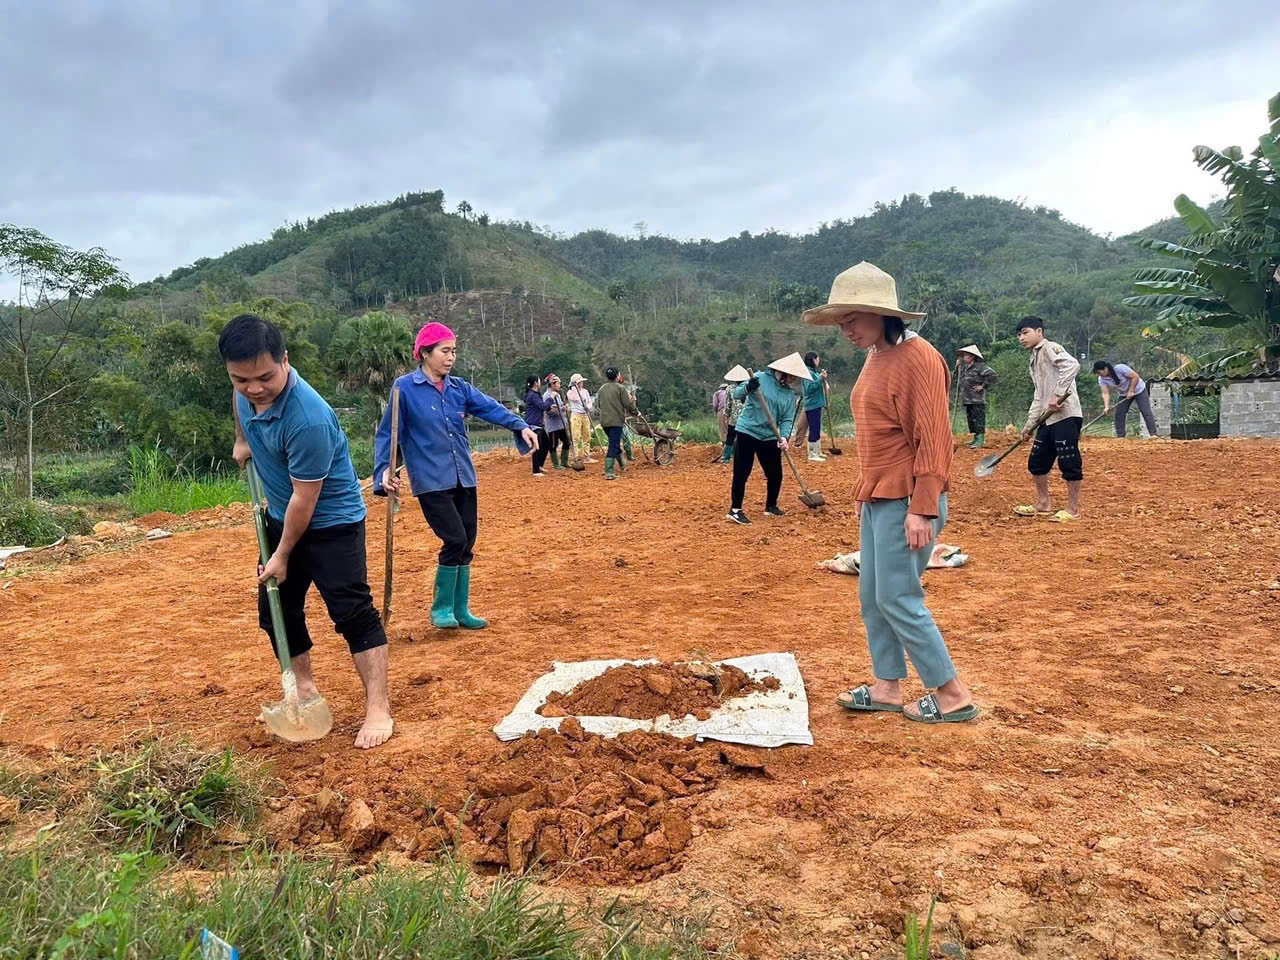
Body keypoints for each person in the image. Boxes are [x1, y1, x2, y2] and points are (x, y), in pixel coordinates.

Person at [802, 261, 977, 724]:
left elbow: (934, 439)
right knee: (873, 594)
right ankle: (886, 687)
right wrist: (864, 487)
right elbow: (879, 434)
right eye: (841, 322)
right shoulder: (879, 353)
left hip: (908, 501)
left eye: (852, 319)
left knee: (899, 595)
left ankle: (952, 693)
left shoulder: (919, 358)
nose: (845, 330)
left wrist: (923, 508)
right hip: (881, 497)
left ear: (882, 313)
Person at [222, 313, 394, 749]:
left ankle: (379, 707)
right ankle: (305, 688)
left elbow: (306, 499)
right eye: (242, 379)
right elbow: (239, 399)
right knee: (275, 609)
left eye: (264, 376)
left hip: (331, 522)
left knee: (352, 612)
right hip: (283, 515)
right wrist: (243, 439)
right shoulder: (245, 389)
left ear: (285, 359)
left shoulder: (309, 418)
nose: (254, 388)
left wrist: (281, 554)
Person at [374, 322, 538, 632]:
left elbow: (489, 407)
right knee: (454, 538)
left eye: (454, 351)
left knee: (468, 541)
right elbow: (388, 434)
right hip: (431, 480)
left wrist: (520, 425)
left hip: (463, 475)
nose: (451, 357)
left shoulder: (458, 387)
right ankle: (441, 609)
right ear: (425, 353)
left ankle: (461, 609)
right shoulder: (404, 388)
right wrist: (384, 470)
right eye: (444, 351)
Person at [726, 353, 810, 524]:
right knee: (742, 472)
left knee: (775, 474)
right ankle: (735, 510)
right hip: (747, 430)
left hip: (770, 435)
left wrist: (785, 437)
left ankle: (771, 506)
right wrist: (749, 387)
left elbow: (787, 419)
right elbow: (737, 394)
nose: (794, 380)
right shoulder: (759, 378)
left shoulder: (788, 394)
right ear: (784, 372)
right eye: (793, 376)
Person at [1015, 316, 1083, 521]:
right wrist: (1030, 425)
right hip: (1047, 418)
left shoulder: (1050, 348)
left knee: (1069, 461)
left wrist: (1059, 393)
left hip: (1066, 415)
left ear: (1039, 332)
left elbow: (1072, 365)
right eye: (1018, 335)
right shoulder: (1034, 359)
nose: (1021, 338)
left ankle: (1072, 509)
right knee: (1037, 462)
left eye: (1025, 332)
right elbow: (1039, 394)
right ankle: (1043, 503)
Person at [1094, 361, 1157, 438]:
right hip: (1124, 394)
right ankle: (1121, 436)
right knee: (1119, 413)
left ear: (1105, 369)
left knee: (1145, 411)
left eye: (1099, 372)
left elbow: (1135, 376)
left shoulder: (1120, 368)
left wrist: (1131, 390)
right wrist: (1106, 406)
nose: (1099, 375)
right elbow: (1105, 393)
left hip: (1138, 389)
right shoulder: (1101, 379)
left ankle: (1153, 435)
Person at [596, 367, 637, 480]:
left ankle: (622, 464)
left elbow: (598, 404)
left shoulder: (602, 388)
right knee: (613, 445)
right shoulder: (621, 388)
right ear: (617, 376)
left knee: (614, 442)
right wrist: (636, 412)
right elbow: (628, 404)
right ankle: (609, 472)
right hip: (616, 422)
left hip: (604, 422)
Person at [956, 345, 998, 448]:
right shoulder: (966, 368)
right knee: (972, 419)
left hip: (977, 399)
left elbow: (992, 375)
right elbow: (958, 379)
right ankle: (975, 438)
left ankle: (980, 439)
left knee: (978, 419)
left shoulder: (980, 367)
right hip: (968, 399)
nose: (964, 357)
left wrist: (983, 386)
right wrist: (958, 367)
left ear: (972, 356)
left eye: (966, 355)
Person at [799, 351, 829, 462]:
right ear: (813, 360)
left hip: (817, 404)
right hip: (812, 405)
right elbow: (809, 389)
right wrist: (820, 379)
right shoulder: (808, 373)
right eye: (817, 359)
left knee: (816, 428)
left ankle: (817, 451)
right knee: (813, 429)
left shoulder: (812, 373)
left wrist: (821, 378)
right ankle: (812, 454)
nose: (818, 361)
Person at [720, 364, 750, 462]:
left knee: (730, 437)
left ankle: (726, 457)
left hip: (734, 418)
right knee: (745, 437)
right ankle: (743, 456)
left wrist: (726, 416)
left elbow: (728, 404)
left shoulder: (730, 388)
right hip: (747, 418)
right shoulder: (749, 387)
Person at [522, 375, 551, 476]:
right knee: (536, 447)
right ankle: (535, 470)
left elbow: (543, 406)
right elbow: (543, 406)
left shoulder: (535, 394)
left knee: (546, 445)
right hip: (533, 424)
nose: (540, 383)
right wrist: (551, 398)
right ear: (535, 383)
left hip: (539, 424)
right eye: (539, 381)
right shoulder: (532, 395)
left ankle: (539, 465)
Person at [542, 374, 571, 470]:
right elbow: (549, 411)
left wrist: (563, 407)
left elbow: (560, 406)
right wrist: (562, 408)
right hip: (553, 425)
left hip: (561, 423)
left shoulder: (557, 394)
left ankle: (564, 461)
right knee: (553, 444)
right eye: (558, 383)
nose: (559, 385)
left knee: (567, 441)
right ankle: (556, 464)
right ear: (552, 384)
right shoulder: (547, 396)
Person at [567, 374, 597, 463]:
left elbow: (589, 402)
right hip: (576, 415)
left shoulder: (585, 391)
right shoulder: (570, 392)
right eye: (580, 382)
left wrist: (588, 407)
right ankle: (577, 456)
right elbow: (575, 398)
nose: (582, 384)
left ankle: (586, 455)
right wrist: (574, 388)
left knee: (587, 436)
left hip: (585, 415)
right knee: (576, 437)